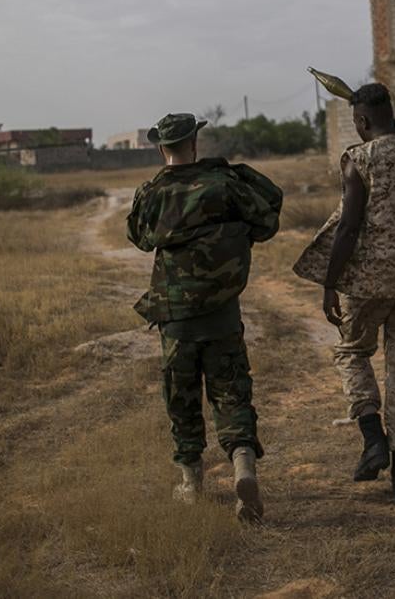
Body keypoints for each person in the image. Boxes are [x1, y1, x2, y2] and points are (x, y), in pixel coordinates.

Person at [292, 84, 395, 506]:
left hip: (368, 283)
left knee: (352, 352)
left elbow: (348, 227)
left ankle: (373, 441)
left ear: (362, 122)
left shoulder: (360, 158)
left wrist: (331, 283)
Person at [127, 112, 282, 522]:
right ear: (195, 142)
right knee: (231, 392)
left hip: (176, 320)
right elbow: (268, 221)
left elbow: (140, 239)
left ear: (162, 148)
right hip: (222, 315)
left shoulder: (153, 193)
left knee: (182, 399)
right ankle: (243, 466)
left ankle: (190, 483)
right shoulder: (227, 184)